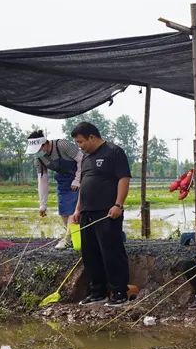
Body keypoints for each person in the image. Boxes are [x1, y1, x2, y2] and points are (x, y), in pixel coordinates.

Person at [69, 122, 131, 306]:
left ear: (92, 137)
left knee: (111, 252)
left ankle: (119, 292)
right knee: (90, 254)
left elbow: (124, 179)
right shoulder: (86, 158)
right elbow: (83, 185)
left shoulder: (114, 152)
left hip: (107, 212)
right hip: (87, 213)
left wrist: (118, 204)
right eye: (77, 142)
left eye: (81, 142)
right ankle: (97, 292)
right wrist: (77, 210)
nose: (80, 146)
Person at [28, 129, 83, 249]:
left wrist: (77, 180)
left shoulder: (62, 145)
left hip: (79, 177)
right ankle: (73, 237)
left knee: (72, 211)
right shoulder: (39, 158)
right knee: (64, 211)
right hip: (63, 181)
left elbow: (82, 159)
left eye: (38, 149)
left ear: (44, 144)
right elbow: (42, 180)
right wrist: (42, 205)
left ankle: (67, 239)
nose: (36, 153)